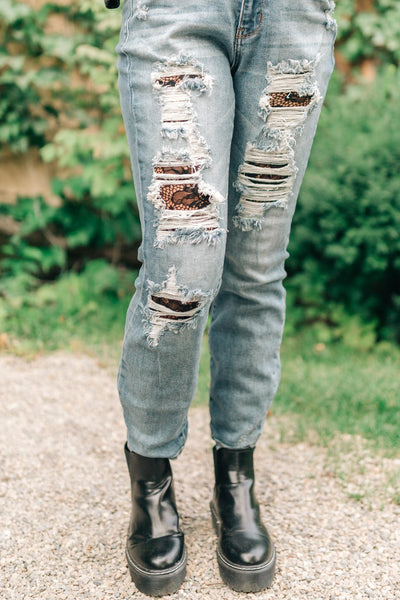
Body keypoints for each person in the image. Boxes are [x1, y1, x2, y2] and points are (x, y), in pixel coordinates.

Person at [106, 0, 336, 595]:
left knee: (256, 265)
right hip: (176, 13)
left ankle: (235, 479)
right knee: (178, 272)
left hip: (293, 16)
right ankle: (150, 484)